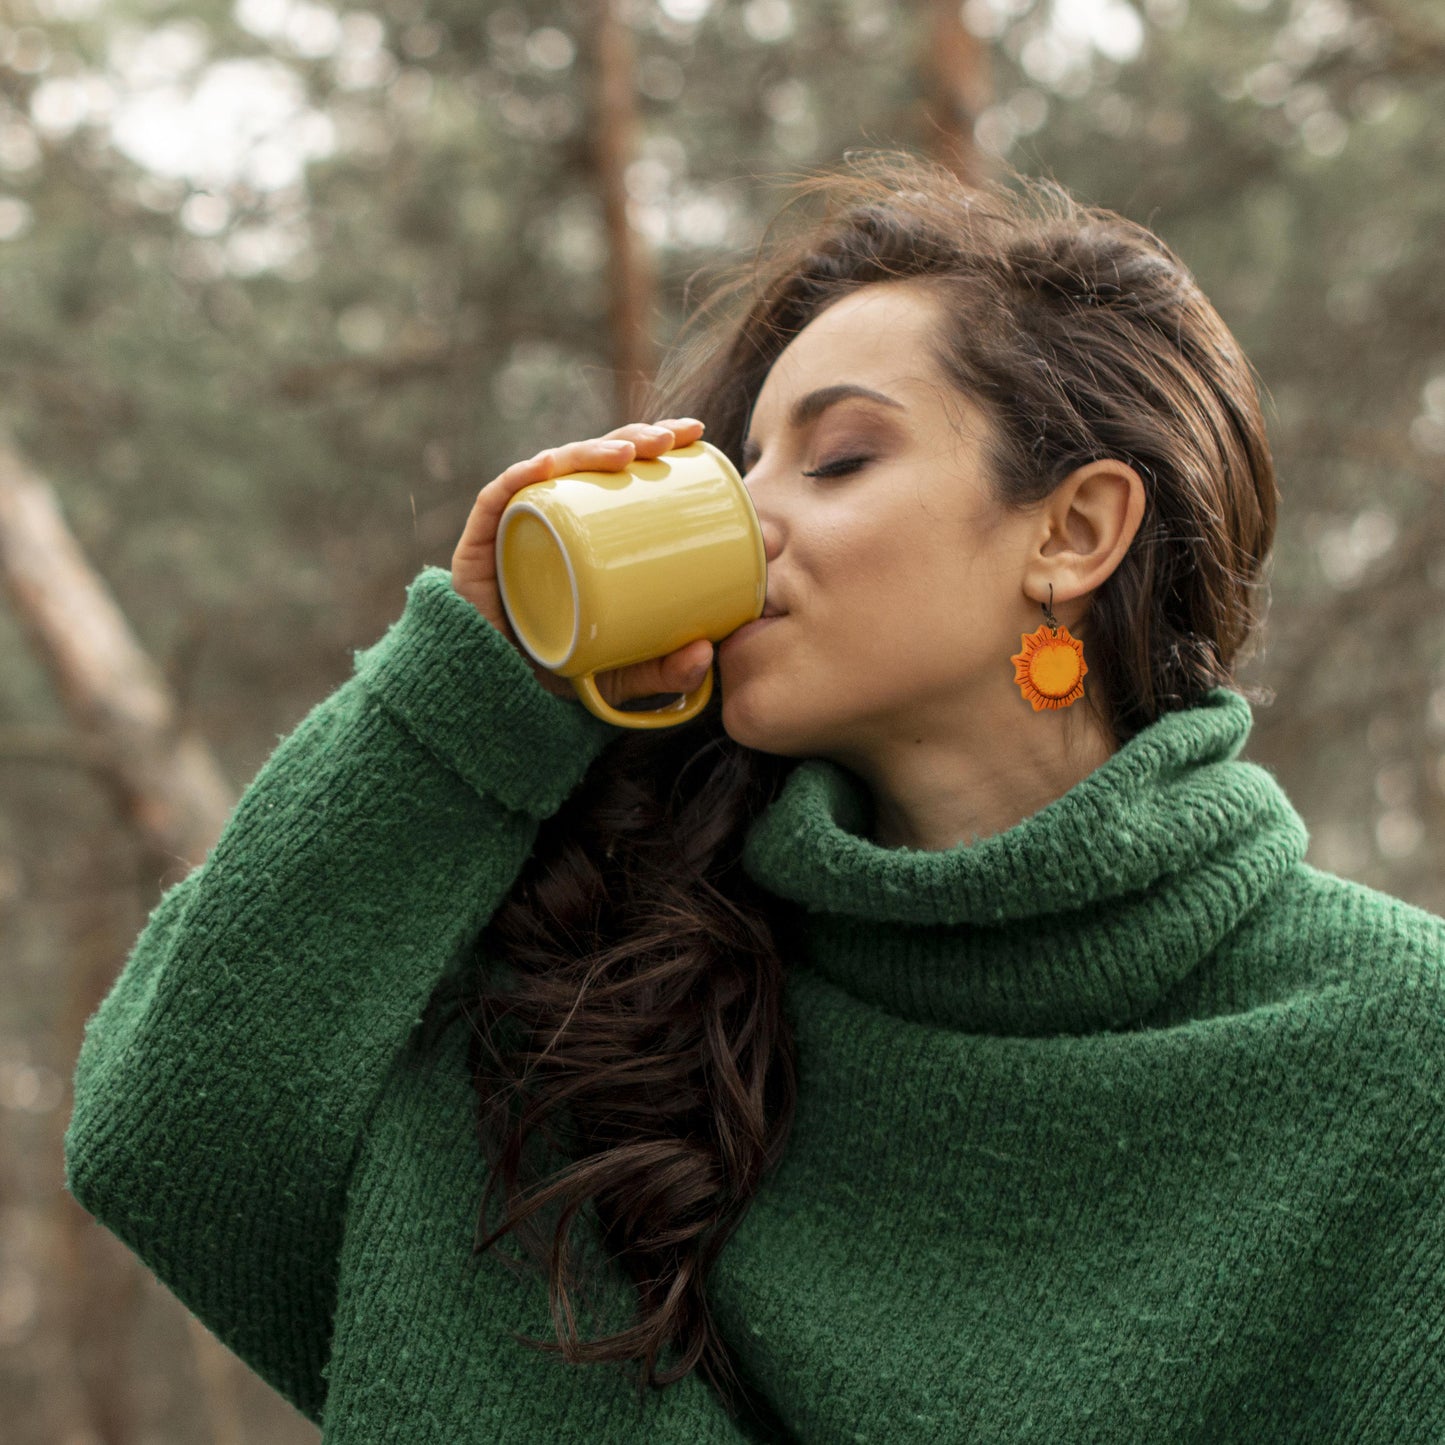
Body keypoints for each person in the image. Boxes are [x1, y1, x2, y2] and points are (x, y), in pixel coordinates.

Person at [64, 152, 1445, 1443]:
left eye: (837, 458)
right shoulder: (615, 1014)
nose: (748, 514)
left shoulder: (1392, 1055)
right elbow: (173, 1134)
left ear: (1072, 530)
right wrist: (467, 687)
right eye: (740, 465)